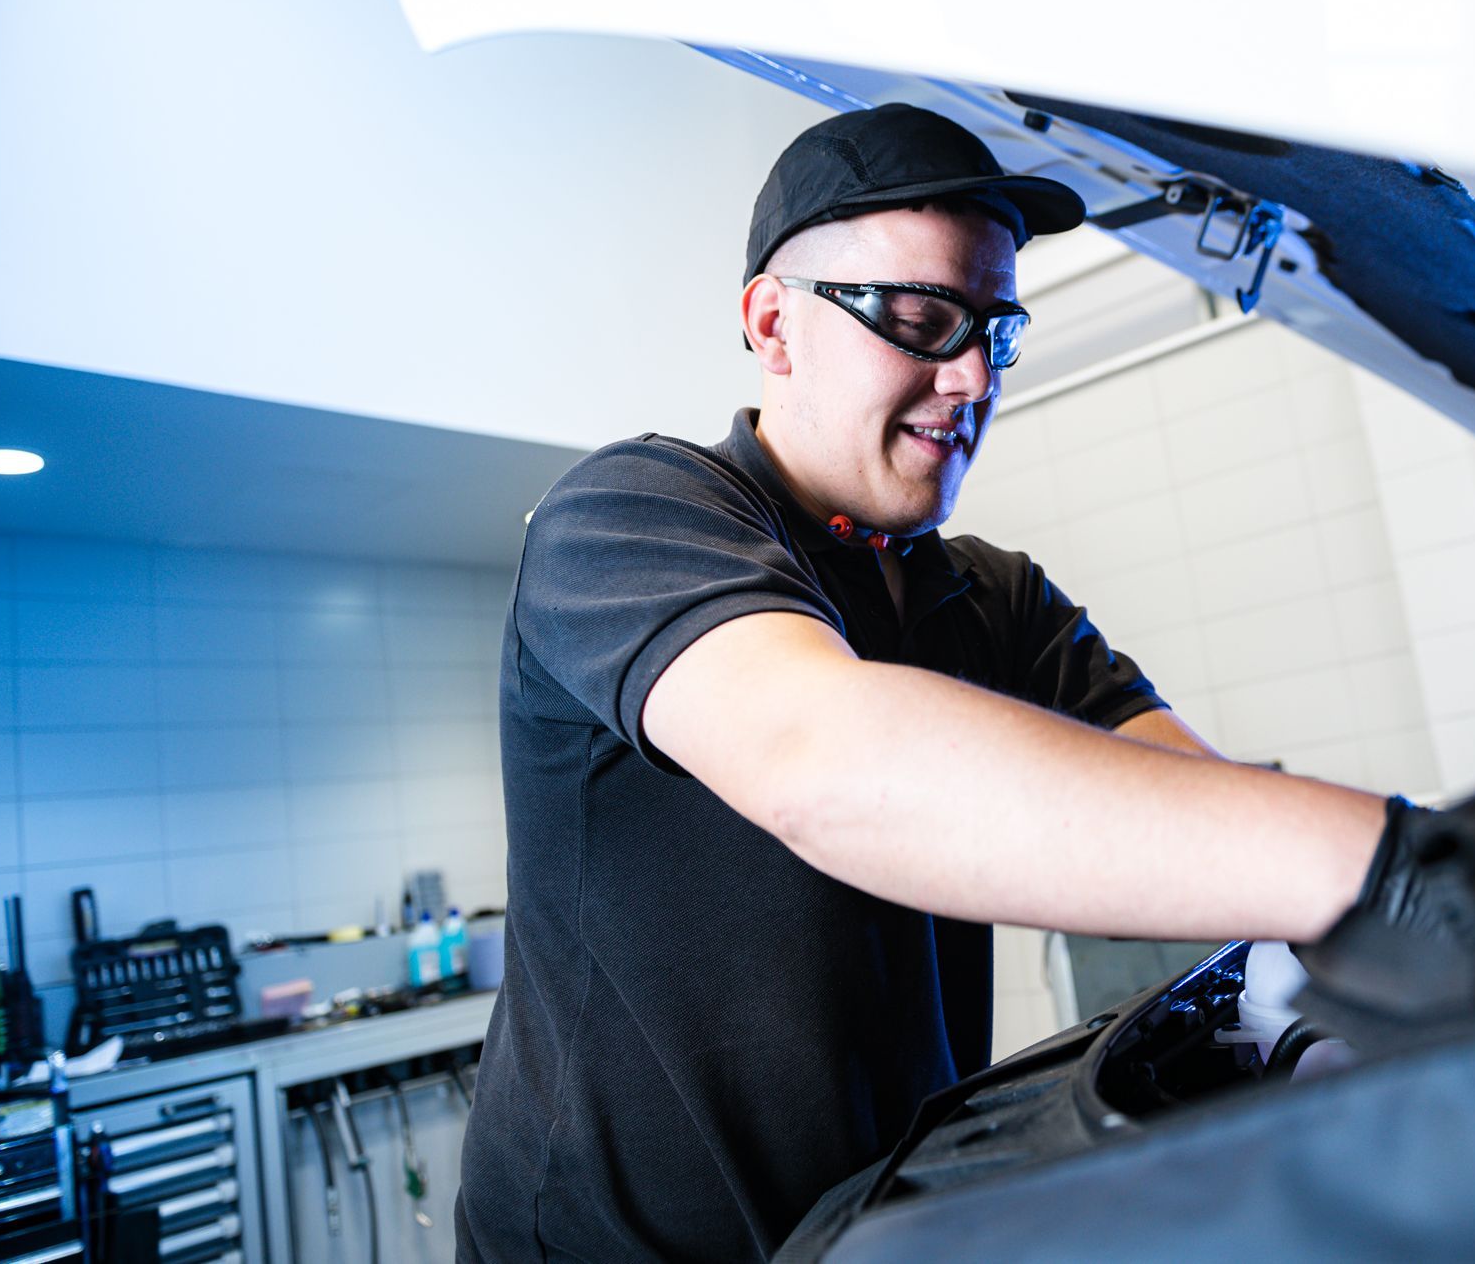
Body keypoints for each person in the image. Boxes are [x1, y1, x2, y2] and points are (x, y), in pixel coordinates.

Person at [455, 103, 1403, 1263]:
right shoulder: (631, 514)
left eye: (993, 331)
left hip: (869, 1230)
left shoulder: (991, 598)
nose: (969, 378)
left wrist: (1392, 924)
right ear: (773, 326)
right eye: (916, 320)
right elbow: (829, 762)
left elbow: (1186, 801)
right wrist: (1391, 869)